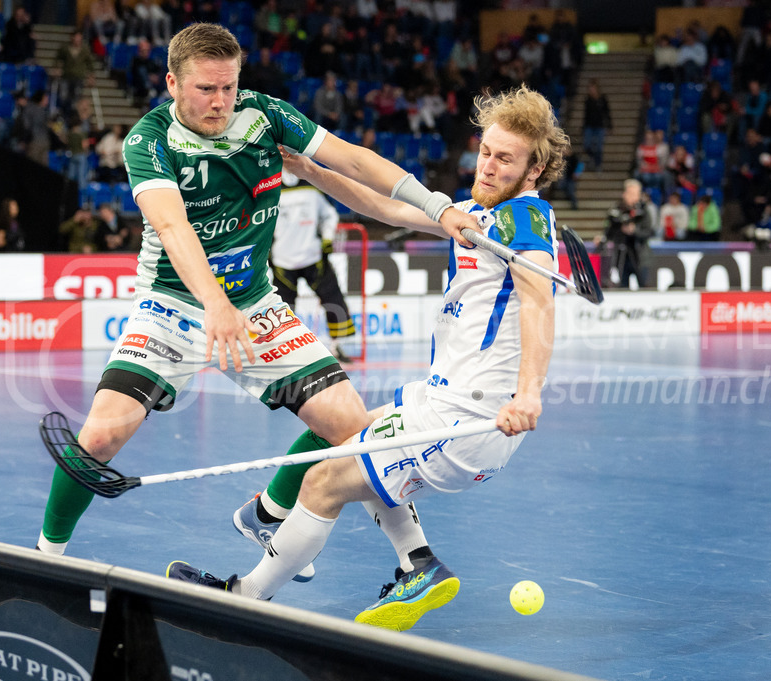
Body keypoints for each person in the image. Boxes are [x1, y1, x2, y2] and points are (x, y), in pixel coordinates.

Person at [35, 23, 478, 557]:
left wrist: (437, 208)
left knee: (349, 425)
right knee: (100, 439)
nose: (220, 102)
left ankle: (272, 516)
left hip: (255, 304)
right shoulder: (149, 141)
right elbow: (173, 228)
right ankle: (46, 557)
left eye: (229, 87)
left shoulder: (265, 115)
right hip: (171, 306)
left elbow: (353, 161)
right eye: (206, 88)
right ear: (172, 83)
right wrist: (215, 304)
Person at [169, 85, 567, 631]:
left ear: (534, 168)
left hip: (470, 416)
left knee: (324, 482)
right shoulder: (476, 214)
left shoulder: (525, 219)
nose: (488, 166)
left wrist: (531, 393)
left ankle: (244, 597)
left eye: (505, 159)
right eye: (485, 151)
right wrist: (309, 169)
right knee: (350, 431)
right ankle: (417, 564)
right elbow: (381, 204)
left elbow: (539, 302)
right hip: (441, 400)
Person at [270, 169, 356, 362]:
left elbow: (330, 216)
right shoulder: (269, 188)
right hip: (283, 260)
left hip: (313, 257)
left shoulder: (312, 186)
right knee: (282, 309)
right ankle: (284, 351)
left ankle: (337, 346)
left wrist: (327, 238)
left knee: (333, 299)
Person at [596, 179, 653, 288]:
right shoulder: (616, 210)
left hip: (640, 256)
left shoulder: (644, 211)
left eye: (636, 194)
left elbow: (648, 232)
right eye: (631, 194)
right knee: (622, 287)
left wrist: (634, 230)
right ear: (624, 194)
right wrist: (603, 238)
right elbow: (609, 231)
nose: (633, 197)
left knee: (644, 287)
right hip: (621, 256)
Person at [582, 79, 611, 172]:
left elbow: (607, 113)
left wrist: (609, 125)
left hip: (600, 126)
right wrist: (583, 126)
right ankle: (592, 158)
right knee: (587, 145)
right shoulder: (588, 100)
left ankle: (598, 164)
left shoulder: (602, 99)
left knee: (599, 147)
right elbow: (586, 114)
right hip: (589, 125)